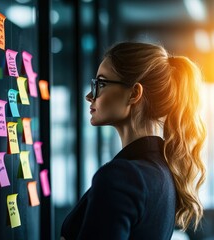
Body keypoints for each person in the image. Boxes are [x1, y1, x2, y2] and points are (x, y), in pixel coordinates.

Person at [60, 42, 206, 240]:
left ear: (134, 93)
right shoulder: (163, 174)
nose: (89, 96)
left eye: (101, 84)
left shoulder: (121, 177)